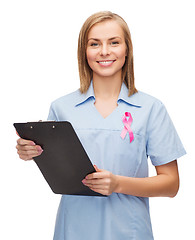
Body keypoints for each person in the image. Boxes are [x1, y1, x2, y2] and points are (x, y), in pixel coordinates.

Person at [16, 11, 186, 240]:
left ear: (127, 49)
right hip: (73, 230)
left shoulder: (151, 109)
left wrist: (117, 183)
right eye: (95, 44)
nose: (104, 51)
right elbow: (56, 166)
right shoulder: (61, 108)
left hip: (130, 232)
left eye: (114, 42)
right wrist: (31, 151)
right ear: (84, 52)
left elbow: (171, 184)